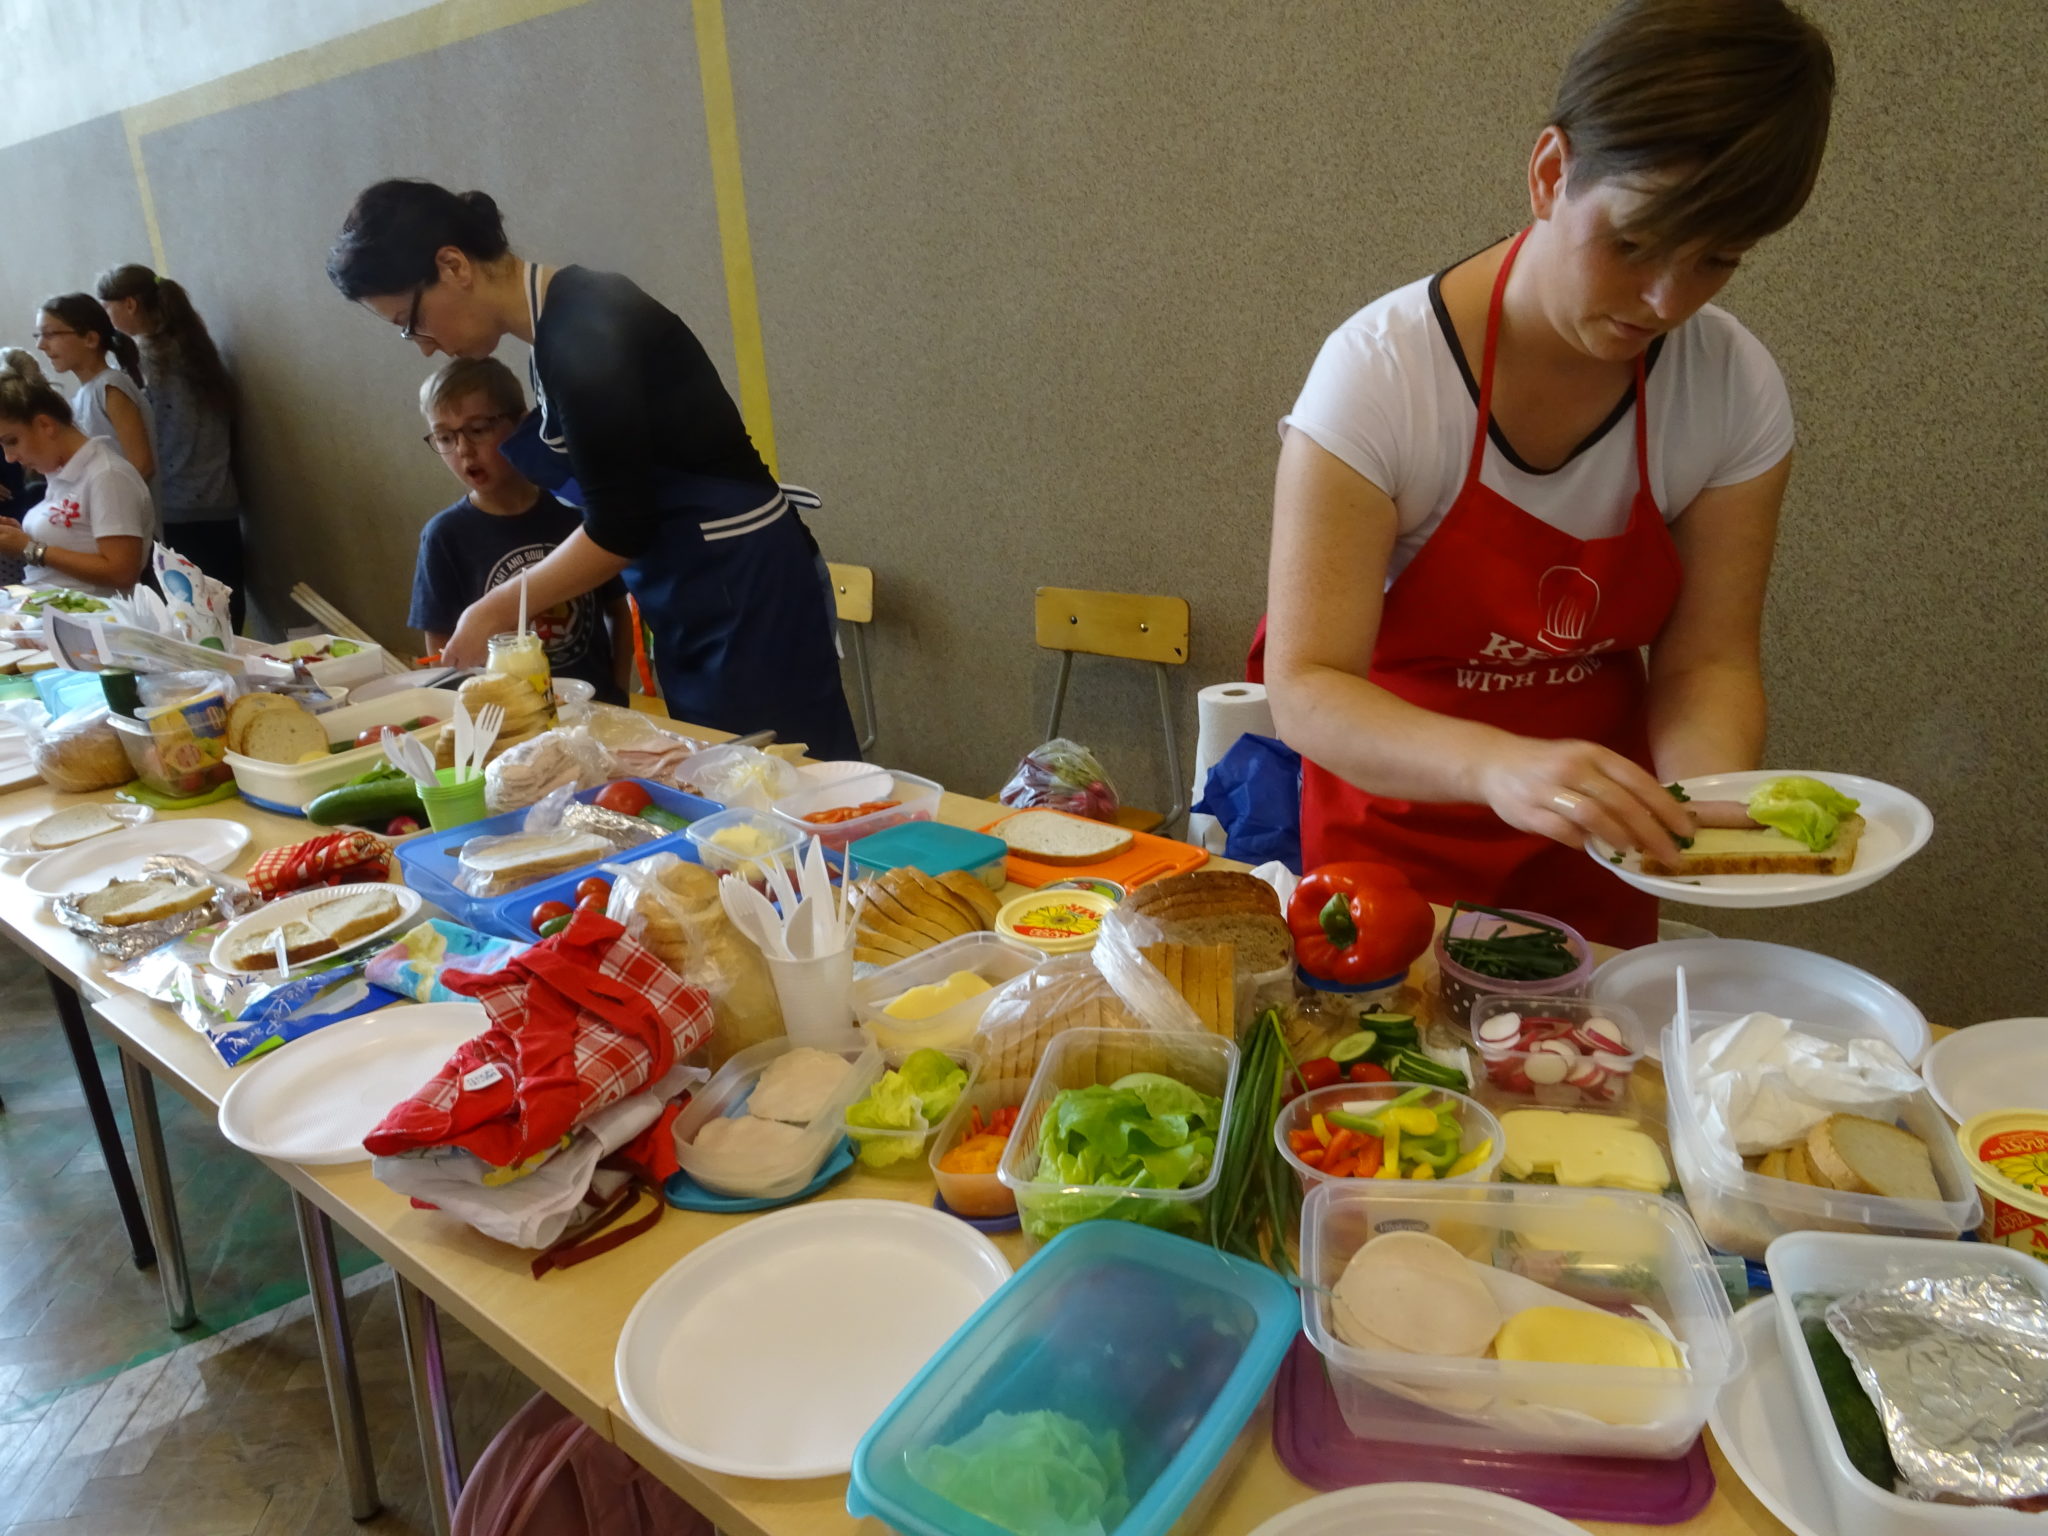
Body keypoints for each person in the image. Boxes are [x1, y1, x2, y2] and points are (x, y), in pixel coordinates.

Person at [1257, 0, 1832, 948]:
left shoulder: (1730, 385)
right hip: (1393, 850)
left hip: (1595, 847)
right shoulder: (1383, 374)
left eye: (1717, 260)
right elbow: (1309, 685)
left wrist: (1699, 801)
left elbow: (1708, 662)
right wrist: (1497, 766)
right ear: (1551, 173)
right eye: (1634, 242)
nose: (1666, 299)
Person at [325, 181, 858, 758]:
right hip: (698, 588)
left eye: (410, 322)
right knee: (735, 773)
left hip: (741, 587)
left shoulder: (583, 327)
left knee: (790, 778)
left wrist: (493, 609)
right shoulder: (555, 335)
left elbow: (621, 525)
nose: (424, 347)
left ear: (453, 266)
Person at [409, 356, 633, 702]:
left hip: (595, 708)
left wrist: (618, 689)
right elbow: (441, 648)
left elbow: (617, 609)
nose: (464, 450)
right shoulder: (444, 536)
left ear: (521, 425)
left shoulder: (574, 510)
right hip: (510, 717)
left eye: (478, 429)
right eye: (444, 437)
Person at [95, 265, 245, 627]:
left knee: (195, 615)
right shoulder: (190, 346)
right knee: (223, 606)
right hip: (218, 499)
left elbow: (157, 437)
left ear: (130, 304)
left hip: (179, 504)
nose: (106, 317)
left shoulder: (152, 360)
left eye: (107, 307)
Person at [0, 353, 152, 595]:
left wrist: (30, 548)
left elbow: (122, 572)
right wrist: (17, 537)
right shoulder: (63, 474)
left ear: (45, 425)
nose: (9, 457)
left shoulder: (109, 476)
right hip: (50, 607)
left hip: (92, 614)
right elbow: (75, 541)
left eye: (12, 441)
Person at [34, 293, 157, 493]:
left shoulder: (111, 386)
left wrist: (102, 502)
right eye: (38, 335)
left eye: (50, 334)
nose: (40, 345)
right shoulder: (83, 394)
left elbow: (142, 464)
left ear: (90, 339)